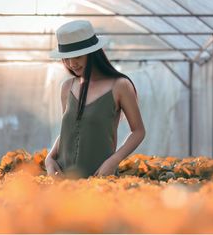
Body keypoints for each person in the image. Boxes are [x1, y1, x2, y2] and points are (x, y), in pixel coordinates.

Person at [44, 20, 146, 178]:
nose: (71, 64)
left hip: (100, 181)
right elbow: (68, 131)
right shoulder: (67, 87)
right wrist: (49, 159)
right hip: (63, 182)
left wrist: (113, 161)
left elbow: (138, 131)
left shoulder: (120, 85)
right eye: (66, 58)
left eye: (77, 56)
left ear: (92, 52)